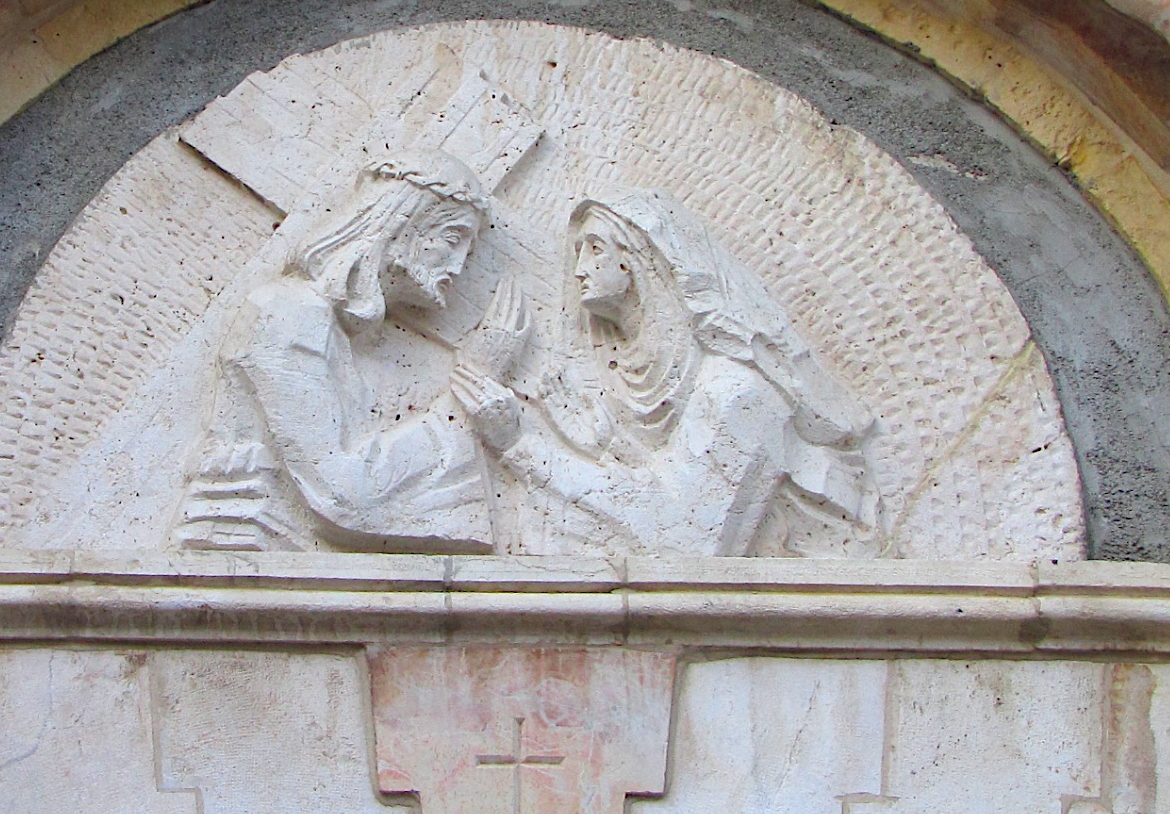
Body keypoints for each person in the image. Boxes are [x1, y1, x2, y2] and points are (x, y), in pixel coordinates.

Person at [458, 189, 874, 557]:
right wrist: (604, 445)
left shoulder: (739, 391)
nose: (579, 268)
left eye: (595, 249)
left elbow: (682, 535)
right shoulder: (624, 383)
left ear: (640, 261)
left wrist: (520, 446)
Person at [173, 151, 528, 552]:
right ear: (400, 226)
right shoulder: (288, 314)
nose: (459, 266)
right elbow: (345, 493)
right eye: (451, 239)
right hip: (245, 562)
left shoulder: (334, 329)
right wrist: (466, 399)